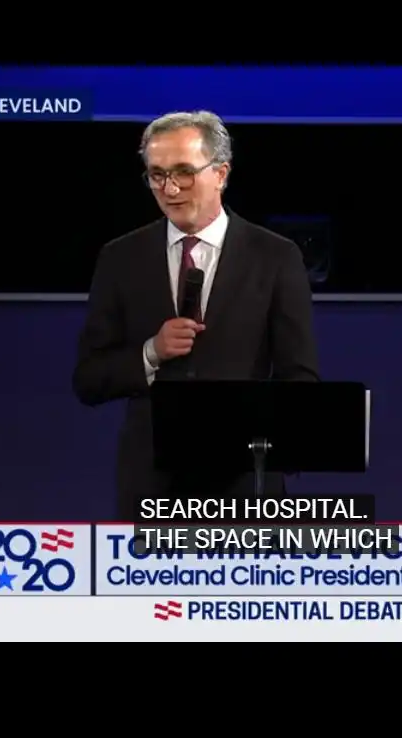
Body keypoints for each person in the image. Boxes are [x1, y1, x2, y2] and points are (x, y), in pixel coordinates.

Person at [72, 111, 319, 519]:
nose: (169, 189)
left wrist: (270, 447)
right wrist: (151, 353)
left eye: (184, 172)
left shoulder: (274, 257)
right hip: (151, 489)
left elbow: (300, 380)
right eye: (157, 175)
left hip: (245, 489)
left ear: (220, 174)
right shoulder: (121, 258)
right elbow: (89, 378)